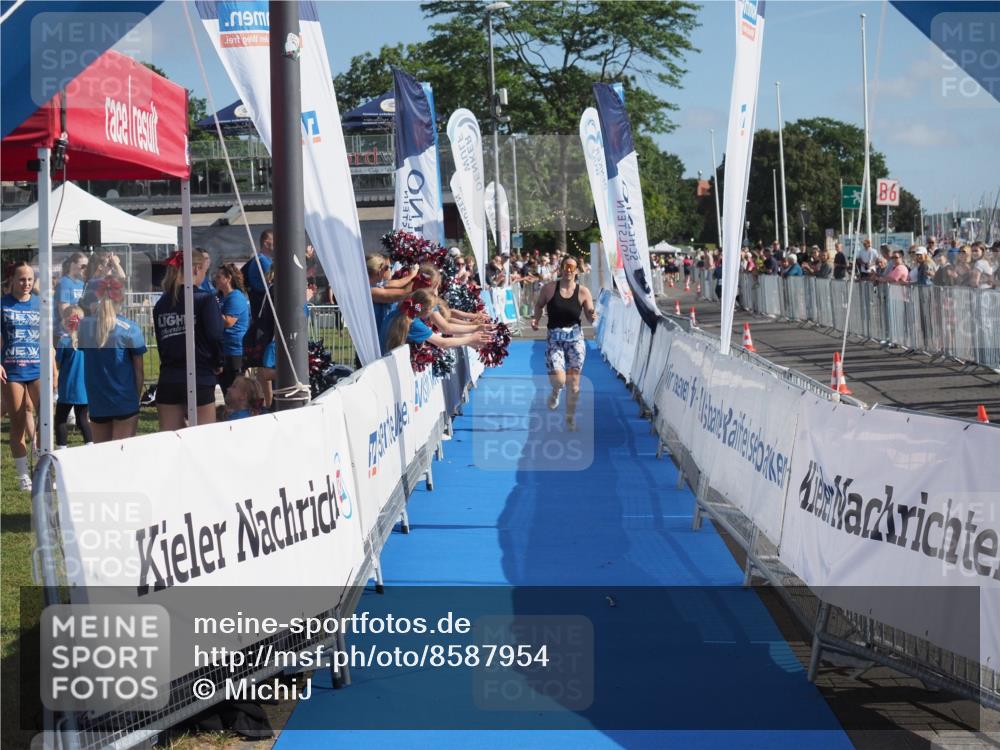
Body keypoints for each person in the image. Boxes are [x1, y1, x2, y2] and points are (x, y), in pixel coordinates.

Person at [153, 249, 224, 430]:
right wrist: (219, 361)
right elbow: (215, 335)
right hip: (199, 374)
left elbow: (162, 343)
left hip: (169, 376)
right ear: (196, 269)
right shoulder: (205, 299)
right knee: (204, 438)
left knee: (171, 439)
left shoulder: (162, 303)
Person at [530, 256, 597, 431]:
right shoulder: (549, 289)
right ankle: (555, 391)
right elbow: (539, 305)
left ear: (576, 271)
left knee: (574, 383)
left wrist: (592, 314)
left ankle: (570, 417)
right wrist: (535, 320)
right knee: (560, 380)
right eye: (566, 267)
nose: (569, 270)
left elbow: (590, 316)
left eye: (572, 267)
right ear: (560, 269)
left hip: (575, 339)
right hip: (555, 339)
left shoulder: (583, 292)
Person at [77, 275, 146, 442]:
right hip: (124, 400)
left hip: (97, 401)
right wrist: (135, 398)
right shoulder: (131, 329)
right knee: (123, 459)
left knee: (103, 461)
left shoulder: (85, 327)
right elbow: (139, 371)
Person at [1, 262, 44, 489]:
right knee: (18, 421)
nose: (26, 283)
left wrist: (54, 370)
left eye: (29, 279)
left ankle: (43, 468)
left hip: (38, 368)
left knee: (45, 419)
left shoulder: (40, 304)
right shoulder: (3, 305)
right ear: (12, 280)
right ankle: (22, 476)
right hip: (12, 369)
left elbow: (47, 339)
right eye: (21, 279)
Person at [382, 288, 491, 354]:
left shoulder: (399, 309)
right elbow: (443, 343)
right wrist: (471, 339)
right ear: (427, 311)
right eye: (433, 309)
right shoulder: (414, 323)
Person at [55, 305, 93, 449]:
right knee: (83, 419)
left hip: (67, 387)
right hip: (85, 386)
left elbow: (58, 363)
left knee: (60, 420)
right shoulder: (88, 341)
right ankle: (91, 446)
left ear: (66, 321)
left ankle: (62, 450)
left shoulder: (64, 341)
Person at [214, 263, 250, 392]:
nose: (216, 280)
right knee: (226, 387)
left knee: (235, 388)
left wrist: (213, 310)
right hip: (223, 348)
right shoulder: (220, 297)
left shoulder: (236, 297)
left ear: (228, 278)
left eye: (219, 277)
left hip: (235, 350)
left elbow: (229, 322)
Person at [57, 252, 88, 317]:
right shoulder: (65, 282)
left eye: (87, 266)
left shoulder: (82, 283)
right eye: (83, 266)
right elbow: (64, 309)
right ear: (73, 264)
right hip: (71, 321)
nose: (85, 269)